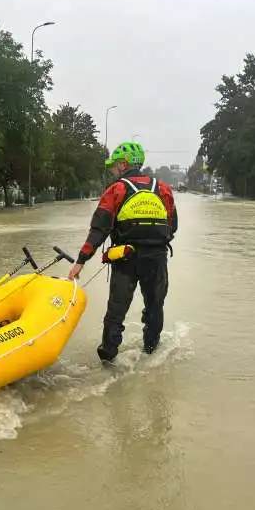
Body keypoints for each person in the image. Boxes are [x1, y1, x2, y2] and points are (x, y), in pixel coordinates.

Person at [67, 141, 178, 362]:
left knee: (116, 313)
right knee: (155, 308)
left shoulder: (116, 190)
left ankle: (108, 358)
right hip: (157, 260)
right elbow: (173, 225)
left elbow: (99, 229)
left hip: (125, 259)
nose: (112, 170)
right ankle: (151, 354)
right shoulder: (163, 189)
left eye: (114, 166)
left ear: (124, 164)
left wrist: (80, 261)